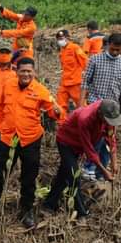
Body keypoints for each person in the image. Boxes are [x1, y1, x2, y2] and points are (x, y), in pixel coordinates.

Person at [0, 57, 62, 228]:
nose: (26, 74)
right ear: (17, 71)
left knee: (29, 176)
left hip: (31, 139)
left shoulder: (40, 90)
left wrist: (57, 112)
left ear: (34, 72)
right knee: (0, 172)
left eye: (29, 71)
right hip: (8, 137)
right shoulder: (8, 86)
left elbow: (53, 111)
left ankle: (26, 209)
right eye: (23, 71)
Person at [43, 100, 119, 217]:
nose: (110, 123)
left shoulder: (109, 113)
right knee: (74, 176)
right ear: (100, 114)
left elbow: (111, 138)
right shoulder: (85, 119)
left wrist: (114, 162)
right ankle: (81, 212)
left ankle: (49, 204)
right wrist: (104, 171)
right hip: (66, 142)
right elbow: (90, 151)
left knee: (64, 174)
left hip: (78, 146)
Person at [80, 33, 121, 180]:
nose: (115, 52)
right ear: (107, 45)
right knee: (96, 138)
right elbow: (85, 83)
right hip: (94, 107)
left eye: (118, 50)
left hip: (113, 109)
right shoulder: (95, 60)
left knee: (109, 140)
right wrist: (81, 105)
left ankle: (101, 172)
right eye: (113, 49)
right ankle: (89, 167)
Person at [55, 30, 88, 115]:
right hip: (64, 83)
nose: (60, 40)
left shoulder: (75, 48)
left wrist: (88, 79)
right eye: (58, 39)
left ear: (67, 38)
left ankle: (85, 124)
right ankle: (62, 125)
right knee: (60, 106)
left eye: (61, 38)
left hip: (75, 83)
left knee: (81, 106)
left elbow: (85, 62)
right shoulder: (62, 51)